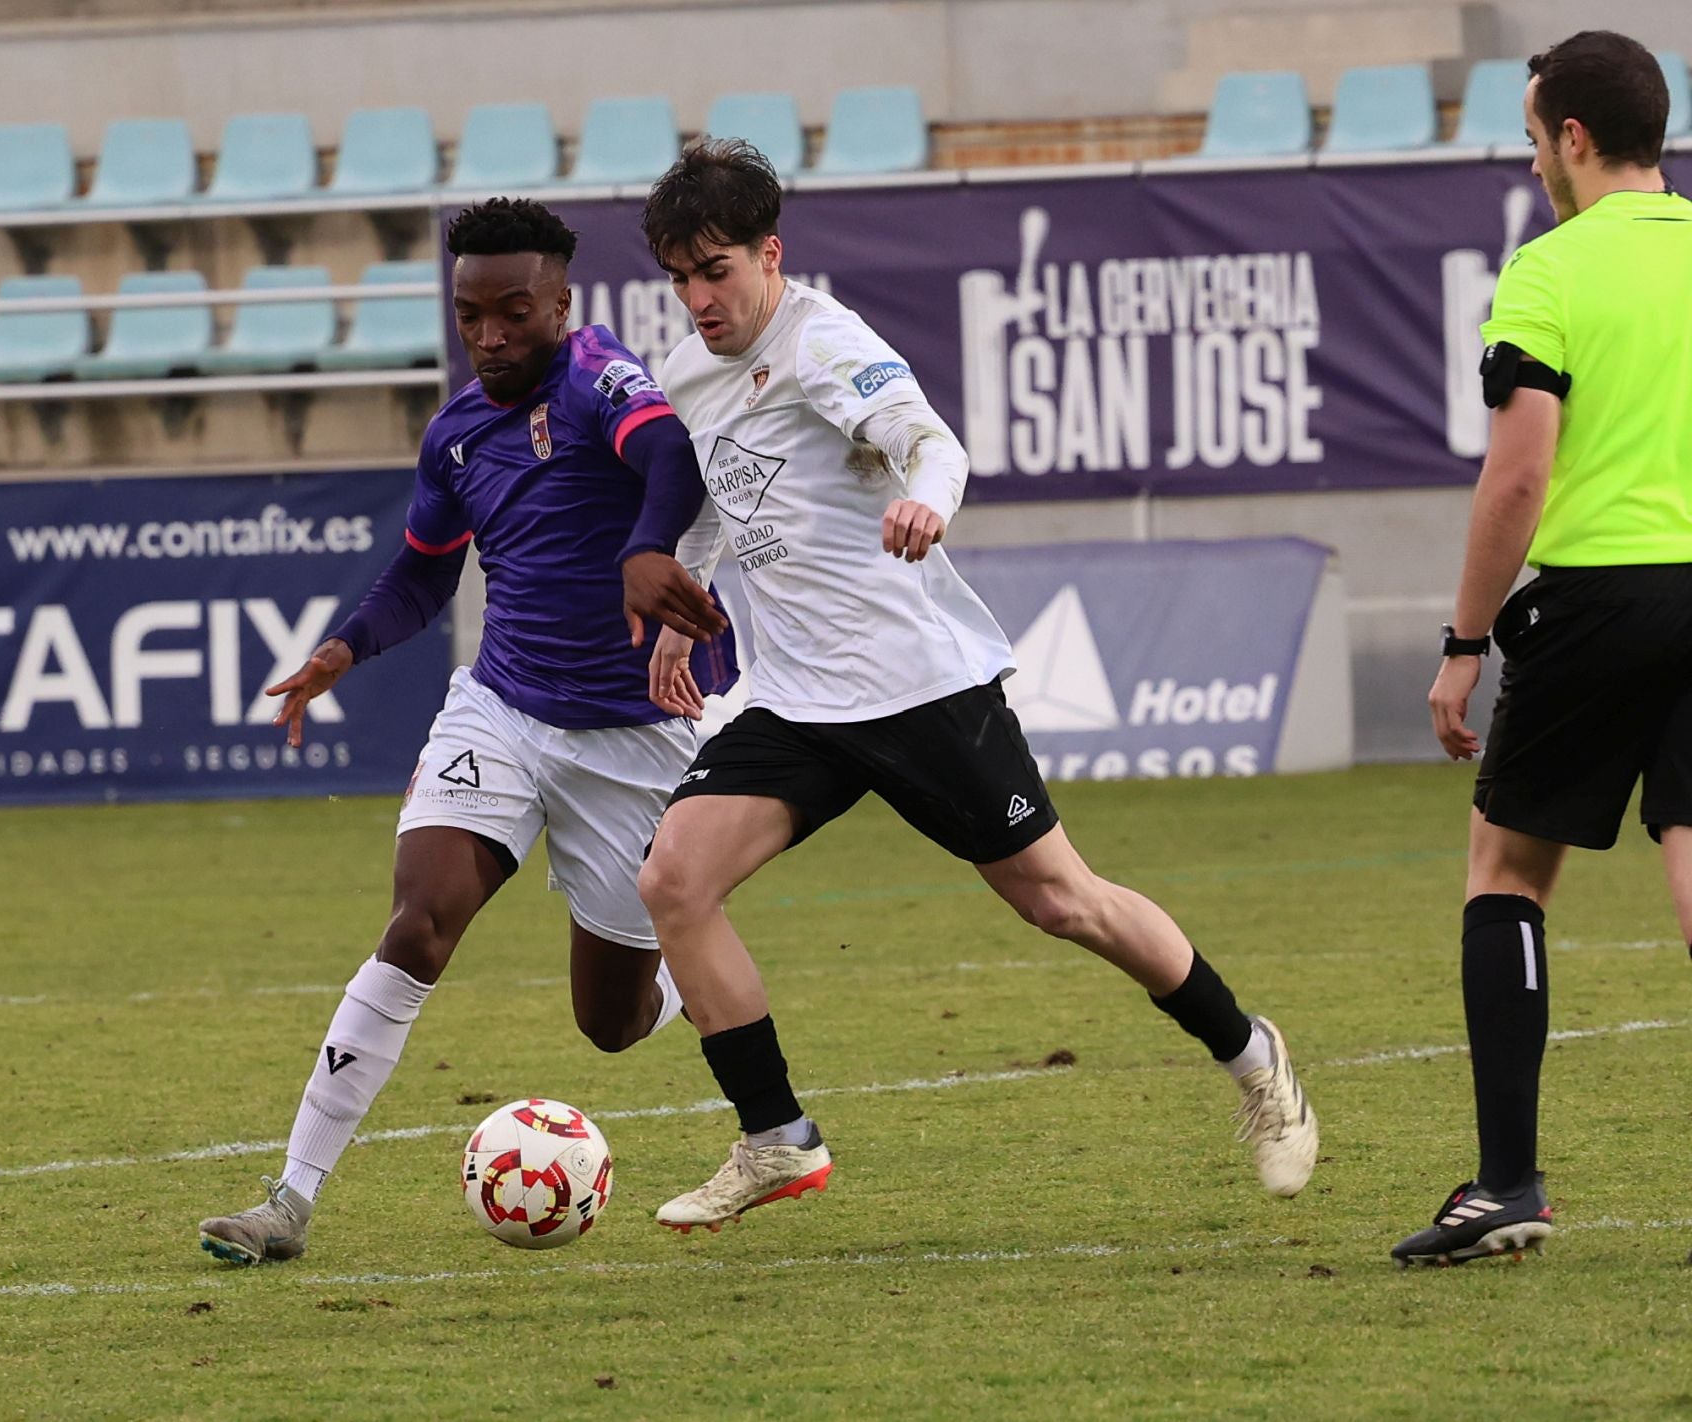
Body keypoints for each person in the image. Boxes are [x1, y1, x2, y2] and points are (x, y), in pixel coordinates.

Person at [630, 140, 1318, 1235]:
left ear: (771, 252)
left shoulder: (825, 343)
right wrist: (686, 599)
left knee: (1062, 903)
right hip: (796, 699)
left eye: (715, 269)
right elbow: (719, 495)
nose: (698, 296)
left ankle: (1252, 1056)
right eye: (679, 275)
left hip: (918, 688)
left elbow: (930, 444)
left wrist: (927, 503)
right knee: (672, 880)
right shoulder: (687, 370)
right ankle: (776, 1138)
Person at [197, 197, 735, 1265]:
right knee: (417, 924)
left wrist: (645, 547)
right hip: (501, 709)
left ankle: (683, 969)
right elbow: (424, 568)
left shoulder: (598, 380)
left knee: (613, 1025)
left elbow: (671, 455)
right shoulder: (455, 435)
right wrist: (344, 650)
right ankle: (290, 1202)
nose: (489, 334)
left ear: (561, 304)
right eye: (469, 313)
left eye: (512, 311)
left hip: (632, 743)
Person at [1393, 31, 1692, 1268]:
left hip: (1604, 604)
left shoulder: (1551, 271)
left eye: (1531, 138)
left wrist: (1465, 641)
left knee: (1506, 872)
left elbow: (1519, 476)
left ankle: (1507, 1181)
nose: (1531, 164)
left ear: (1572, 138)